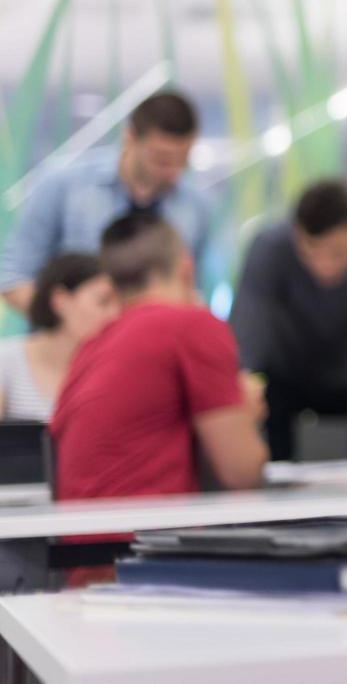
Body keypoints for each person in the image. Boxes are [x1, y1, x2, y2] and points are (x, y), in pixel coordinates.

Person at [50, 213, 266, 499]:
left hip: (79, 536)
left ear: (112, 286)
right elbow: (242, 472)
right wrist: (246, 414)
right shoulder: (192, 325)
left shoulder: (92, 346)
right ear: (186, 269)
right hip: (142, 537)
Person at [230, 179, 347, 460]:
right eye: (311, 254)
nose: (324, 267)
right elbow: (248, 329)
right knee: (261, 381)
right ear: (294, 235)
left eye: (337, 253)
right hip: (288, 373)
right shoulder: (270, 248)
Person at [0, 90, 210, 316]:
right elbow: (13, 274)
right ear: (130, 137)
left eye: (182, 162)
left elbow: (192, 289)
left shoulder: (196, 208)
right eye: (161, 160)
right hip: (72, 346)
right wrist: (65, 321)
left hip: (153, 344)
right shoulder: (64, 187)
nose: (172, 172)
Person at [0, 254, 119, 421]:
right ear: (60, 300)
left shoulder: (116, 369)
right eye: (103, 302)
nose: (114, 315)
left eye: (119, 304)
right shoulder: (5, 360)